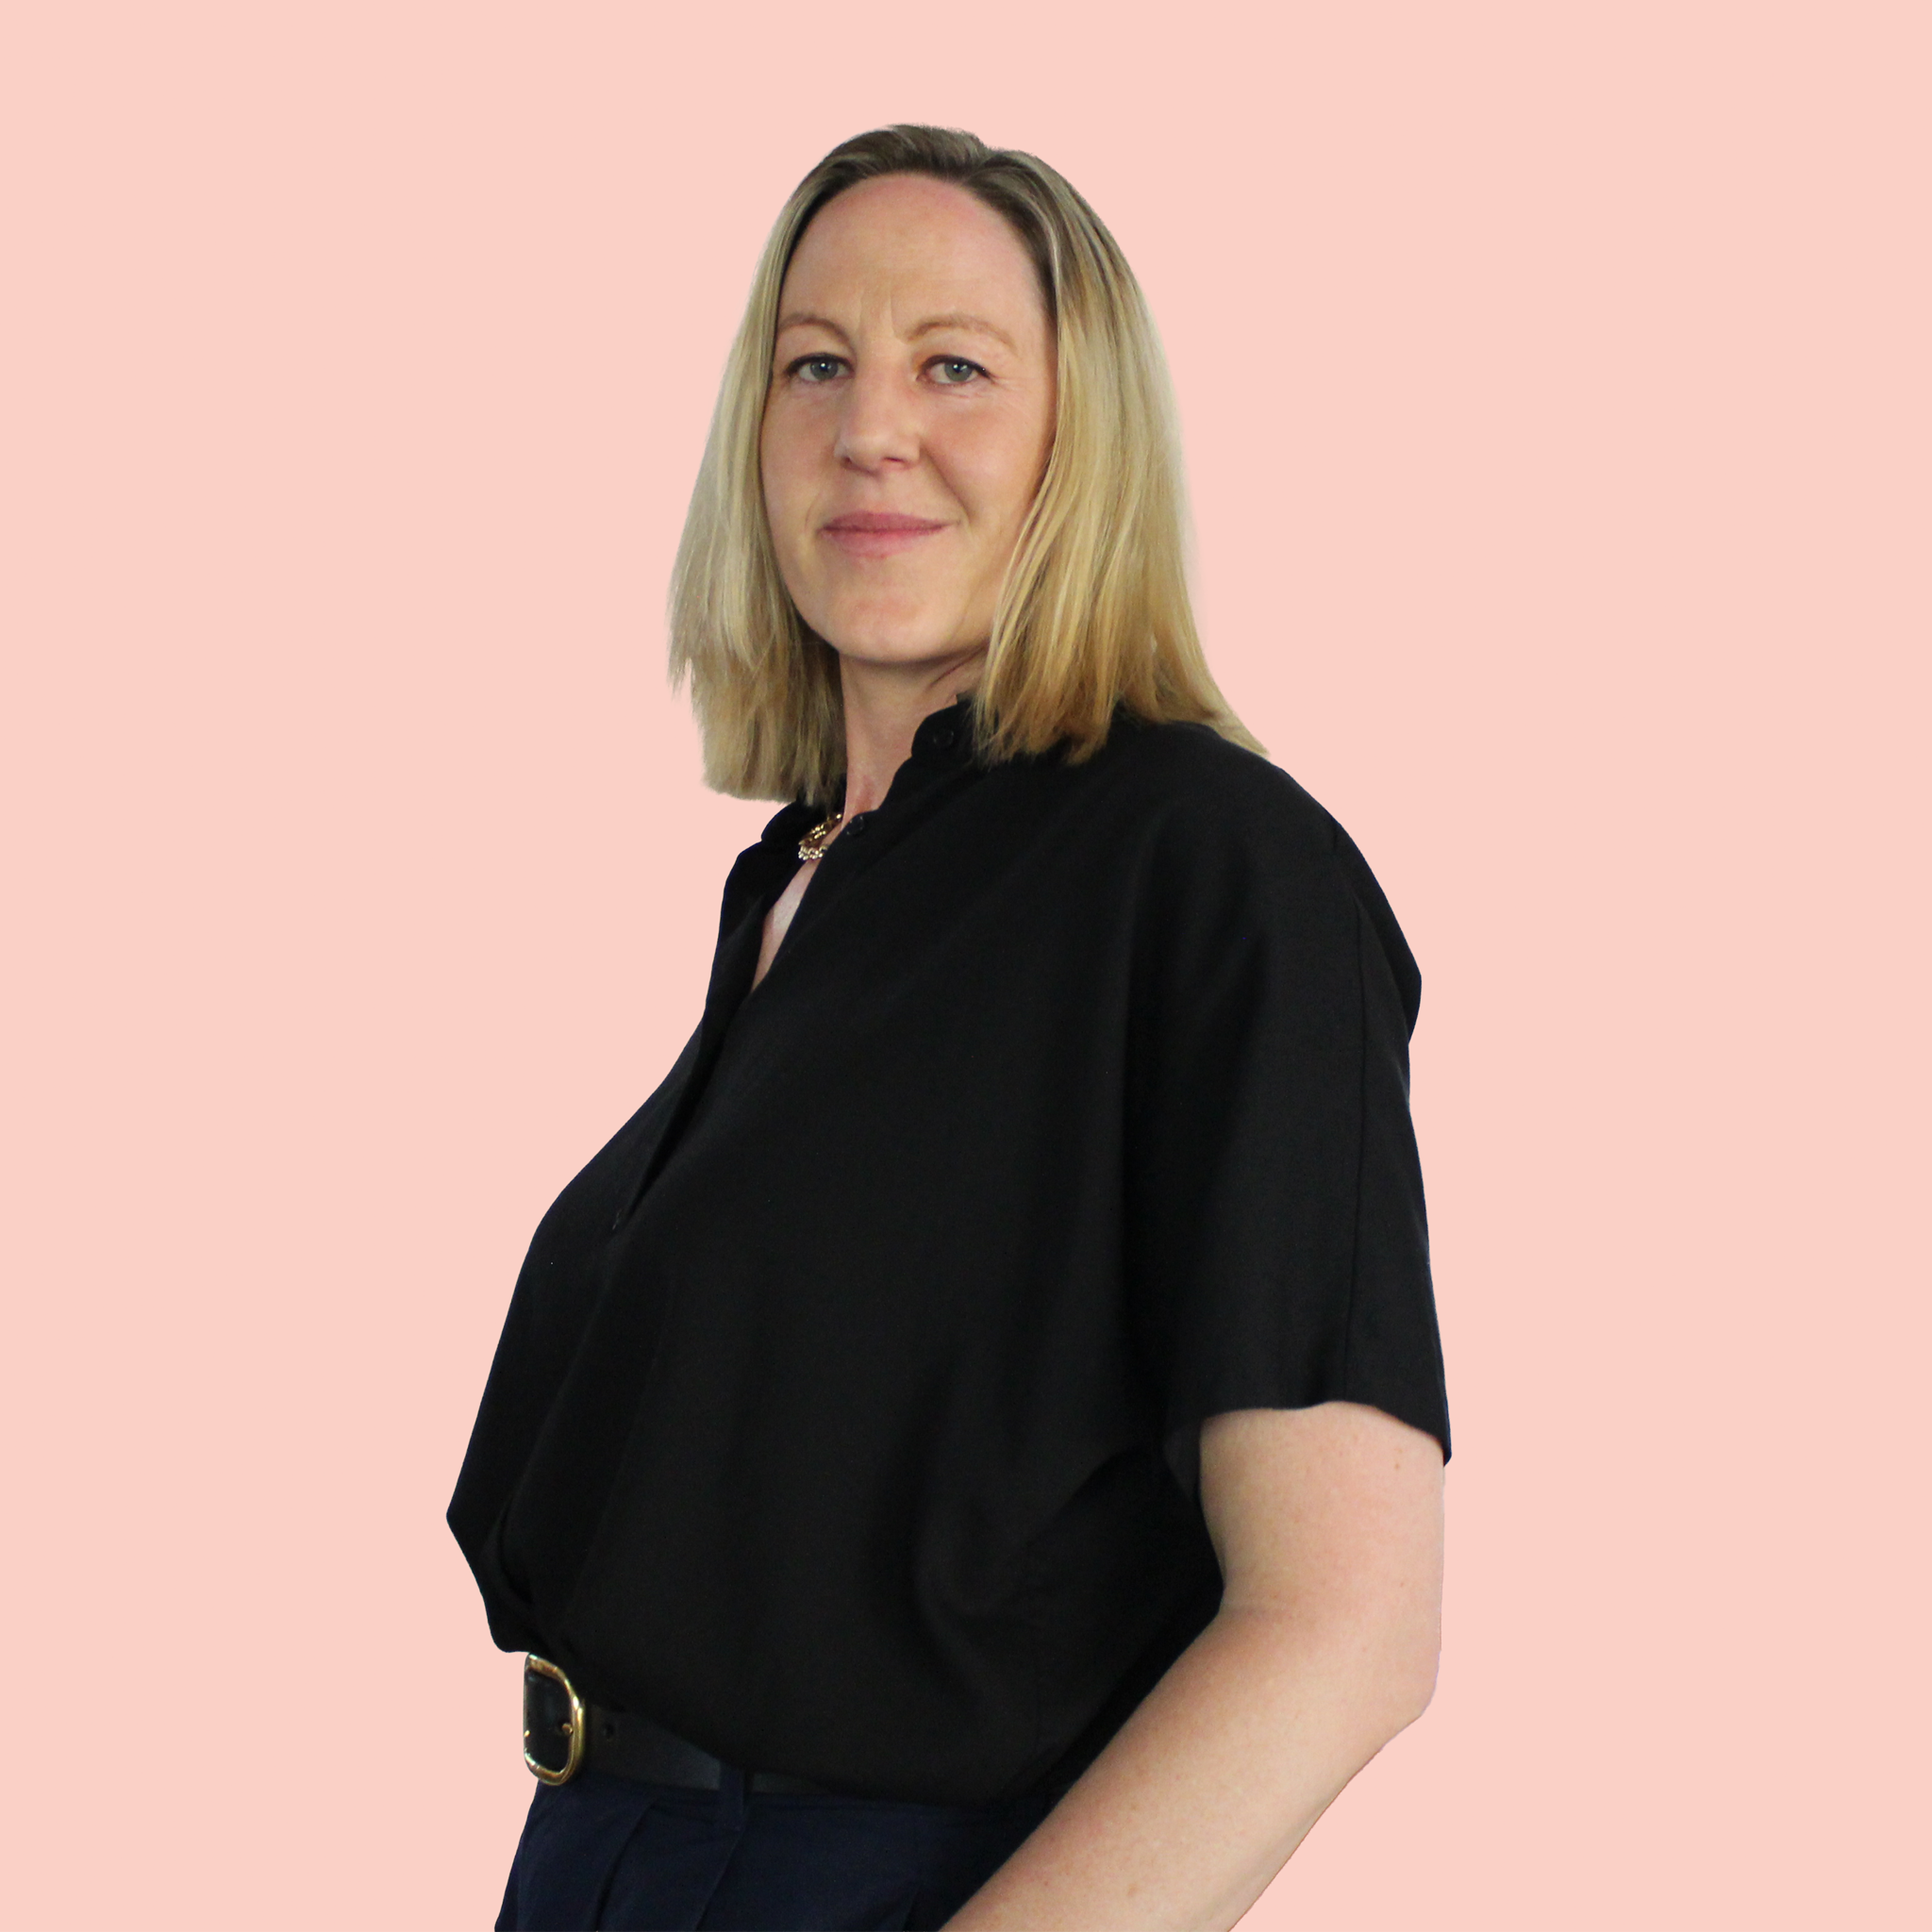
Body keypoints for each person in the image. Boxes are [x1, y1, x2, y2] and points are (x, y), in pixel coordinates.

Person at [449, 123, 1450, 1932]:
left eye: (957, 368)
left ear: (1088, 440)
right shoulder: (806, 885)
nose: (870, 425)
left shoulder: (1211, 869)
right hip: (602, 1861)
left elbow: (1344, 1626)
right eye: (814, 361)